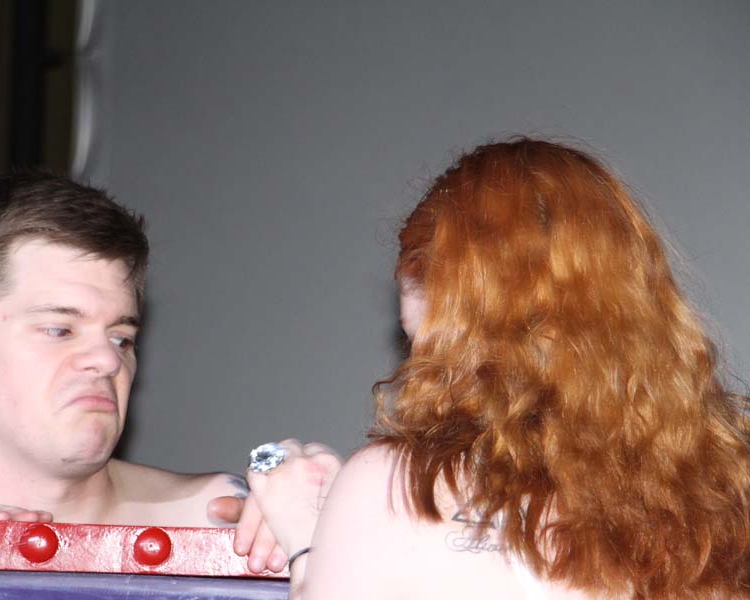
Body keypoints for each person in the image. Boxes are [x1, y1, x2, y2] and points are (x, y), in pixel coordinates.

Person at [240, 139, 750, 598]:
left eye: (423, 345)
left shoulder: (401, 489)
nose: (419, 369)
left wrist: (307, 542)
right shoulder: (727, 500)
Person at [0, 171, 279, 567]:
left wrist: (322, 534)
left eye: (121, 339)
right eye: (59, 330)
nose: (108, 361)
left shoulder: (226, 529)